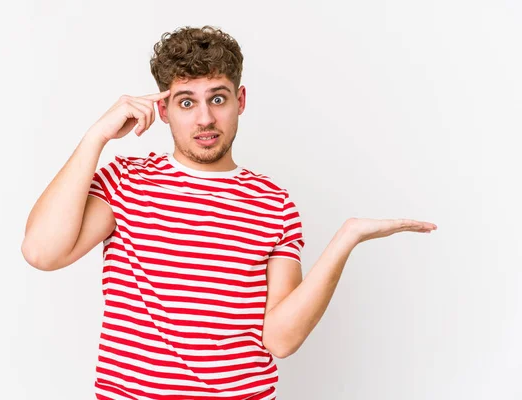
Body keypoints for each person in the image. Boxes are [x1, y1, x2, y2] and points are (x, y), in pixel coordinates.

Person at [22, 25, 437, 400]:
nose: (205, 118)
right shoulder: (127, 182)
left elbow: (280, 340)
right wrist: (96, 136)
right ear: (163, 110)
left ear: (239, 100)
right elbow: (42, 252)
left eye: (217, 99)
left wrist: (347, 237)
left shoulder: (274, 204)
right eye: (186, 102)